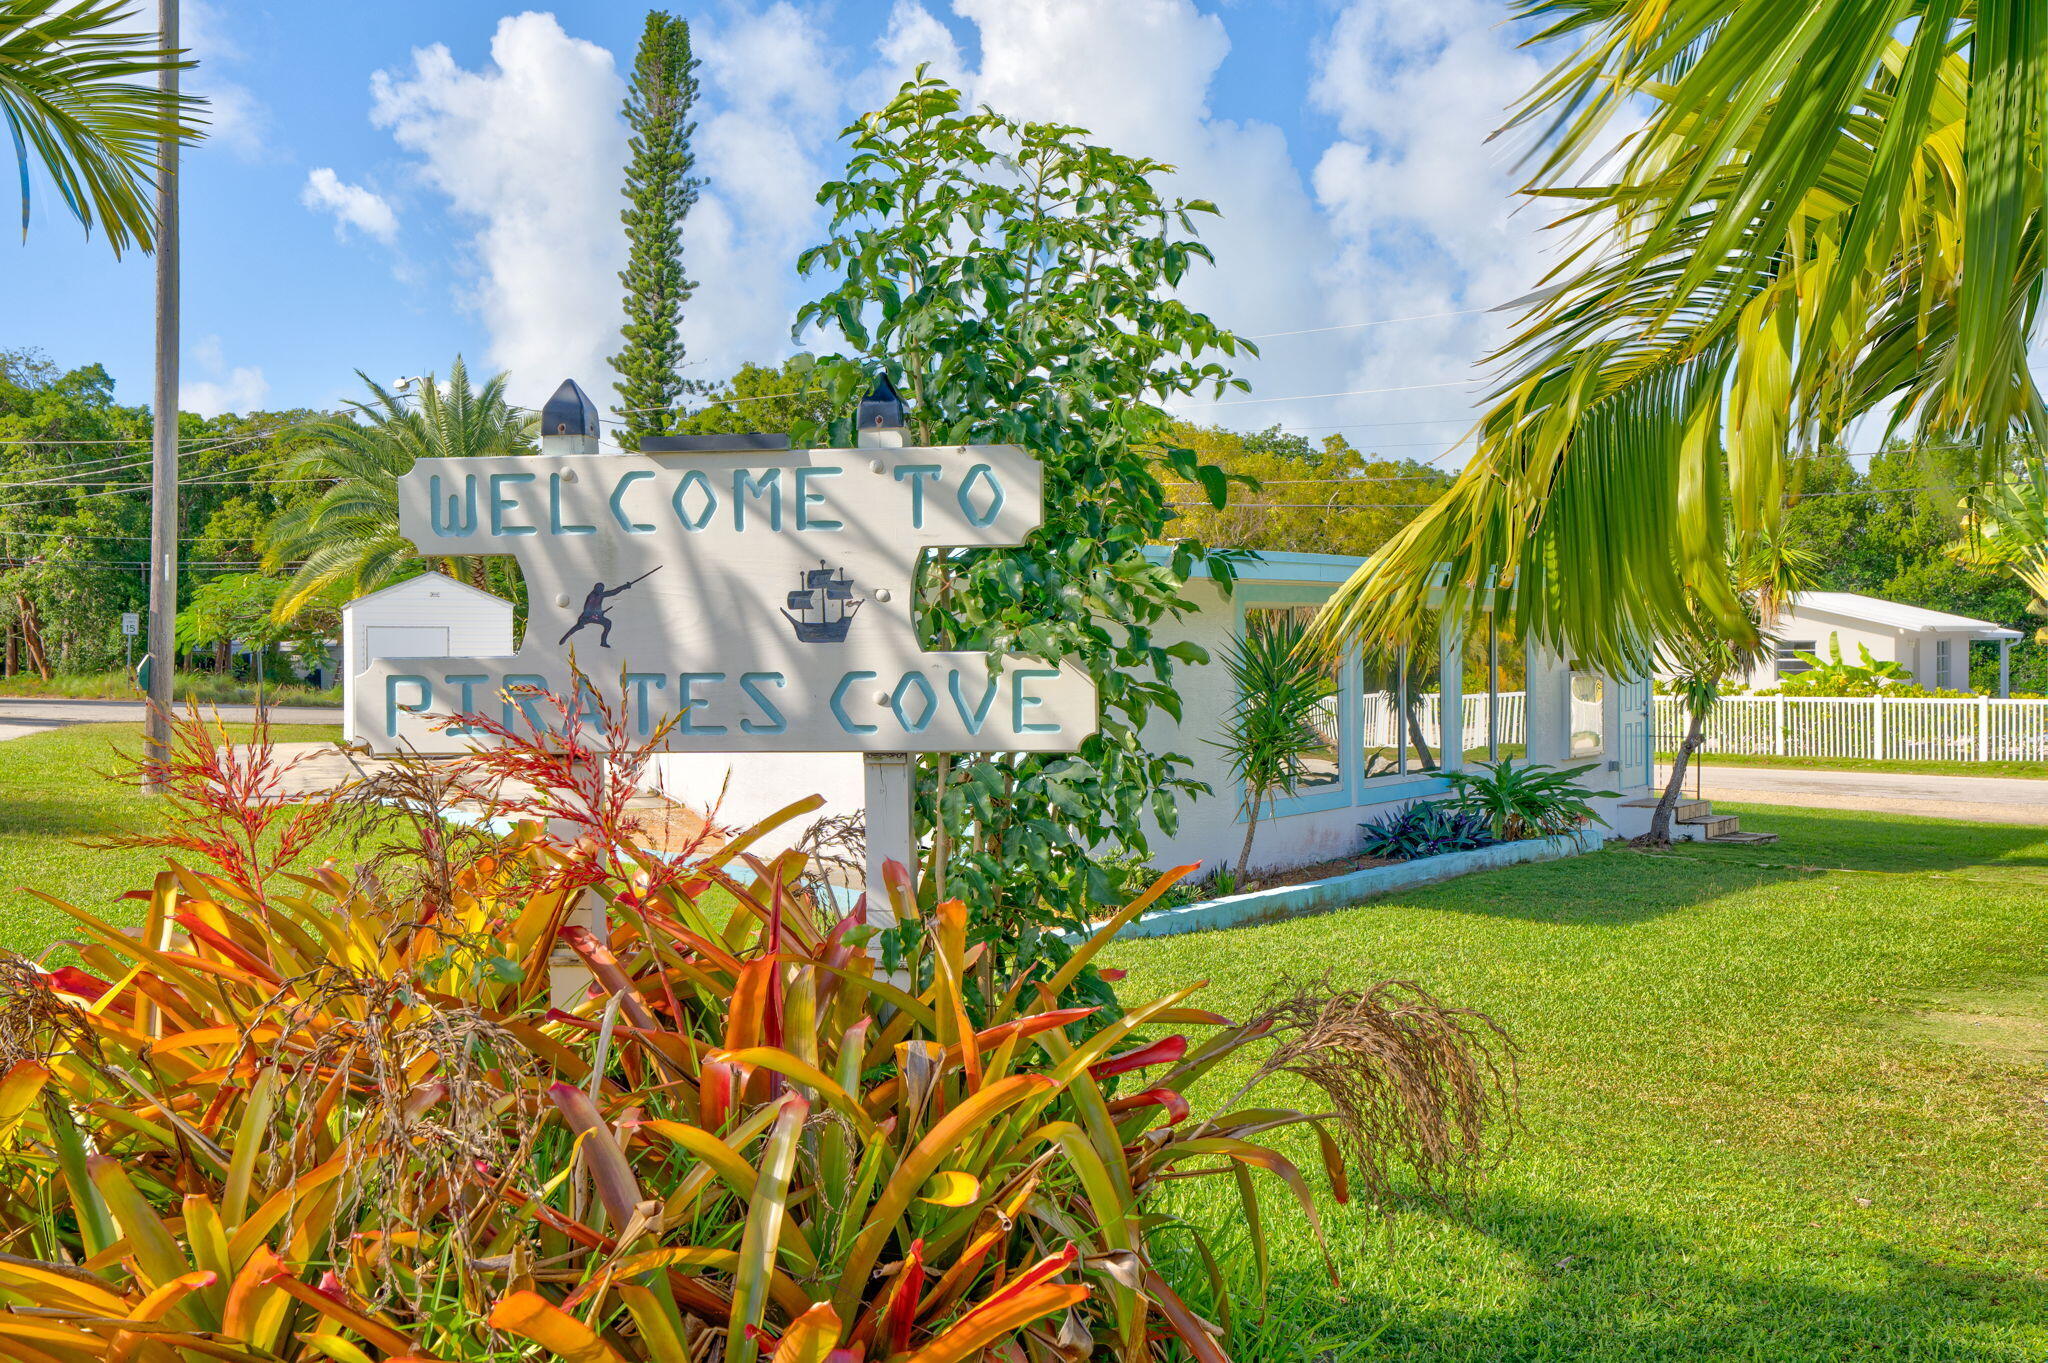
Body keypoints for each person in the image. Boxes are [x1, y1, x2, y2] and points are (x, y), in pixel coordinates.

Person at [557, 578, 637, 648]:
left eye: (602, 589)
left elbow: (613, 592)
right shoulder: (591, 597)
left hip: (596, 616)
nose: (601, 591)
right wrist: (594, 615)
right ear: (595, 589)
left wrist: (624, 587)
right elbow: (587, 609)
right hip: (586, 617)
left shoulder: (601, 594)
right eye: (599, 589)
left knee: (608, 623)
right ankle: (564, 639)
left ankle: (603, 642)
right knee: (577, 627)